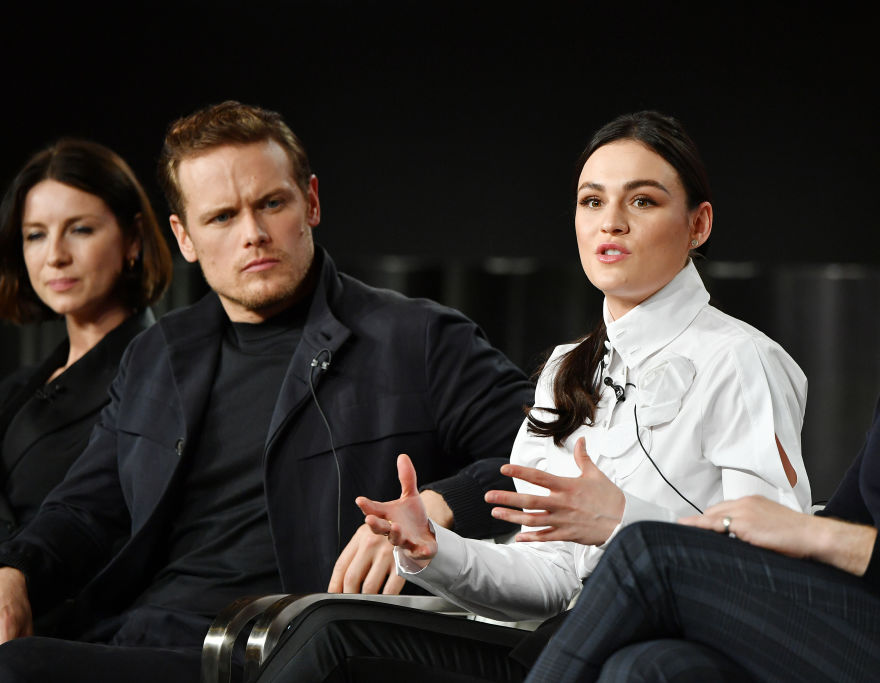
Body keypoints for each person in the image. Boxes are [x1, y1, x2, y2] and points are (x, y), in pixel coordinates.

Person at [253, 111, 811, 682]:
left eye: (642, 201)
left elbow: (774, 568)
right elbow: (549, 576)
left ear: (699, 225)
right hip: (561, 641)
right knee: (330, 634)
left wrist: (623, 519)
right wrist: (433, 549)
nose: (611, 223)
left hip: (663, 652)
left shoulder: (743, 360)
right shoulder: (569, 369)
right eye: (592, 202)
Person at [0, 102, 534, 682]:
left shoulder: (417, 337)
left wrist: (437, 507)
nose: (252, 235)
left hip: (280, 647)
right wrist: (16, 571)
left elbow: (542, 452)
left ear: (311, 201)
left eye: (271, 204)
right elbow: (85, 508)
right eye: (222, 217)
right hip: (136, 635)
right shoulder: (158, 354)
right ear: (184, 237)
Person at [526, 70, 880, 683]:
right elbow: (838, 534)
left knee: (647, 553)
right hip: (866, 634)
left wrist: (813, 536)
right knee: (654, 666)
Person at [0, 139, 172, 541]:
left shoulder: (163, 377)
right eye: (35, 235)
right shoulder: (15, 391)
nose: (55, 255)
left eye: (79, 229)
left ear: (133, 240)